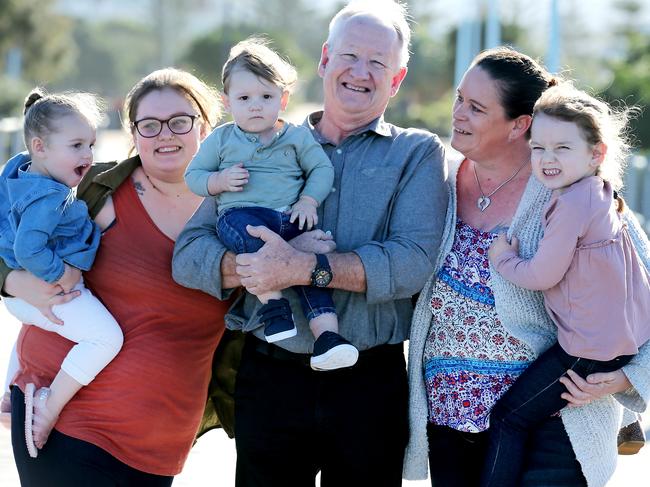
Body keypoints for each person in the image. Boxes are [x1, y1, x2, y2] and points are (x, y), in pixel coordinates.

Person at [172, 0, 448, 485]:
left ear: (397, 78)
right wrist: (254, 266)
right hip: (271, 377)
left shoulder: (418, 153)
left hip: (369, 382)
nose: (360, 72)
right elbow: (189, 255)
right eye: (349, 55)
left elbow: (413, 263)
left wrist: (302, 268)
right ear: (324, 59)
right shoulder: (256, 141)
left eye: (378, 63)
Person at [404, 47, 650, 487]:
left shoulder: (575, 194)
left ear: (520, 125)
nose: (458, 112)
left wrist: (626, 377)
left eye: (476, 107)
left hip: (554, 419)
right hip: (451, 414)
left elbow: (642, 296)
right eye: (460, 98)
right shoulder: (437, 181)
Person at [0, 68, 232, 486]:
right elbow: (10, 230)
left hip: (159, 443)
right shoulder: (90, 187)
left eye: (180, 120)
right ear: (133, 132)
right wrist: (13, 283)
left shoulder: (237, 207)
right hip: (58, 419)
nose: (165, 134)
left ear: (206, 125)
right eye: (149, 124)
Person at [482, 84, 650, 486]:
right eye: (538, 148)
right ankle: (628, 425)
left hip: (585, 350)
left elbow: (542, 275)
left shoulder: (573, 203)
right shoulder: (601, 193)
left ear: (597, 153)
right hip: (610, 344)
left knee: (507, 419)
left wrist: (502, 256)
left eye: (562, 148)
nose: (547, 159)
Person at [185, 38, 358, 371]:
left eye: (266, 97)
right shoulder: (222, 138)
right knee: (248, 235)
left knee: (311, 265)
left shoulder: (295, 136)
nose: (255, 106)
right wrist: (219, 182)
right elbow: (194, 176)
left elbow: (321, 169)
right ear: (227, 101)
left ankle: (328, 337)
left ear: (283, 99)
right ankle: (273, 304)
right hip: (241, 216)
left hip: (289, 217)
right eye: (244, 98)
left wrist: (308, 200)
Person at [0, 89, 124, 458]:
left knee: (34, 323)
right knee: (105, 338)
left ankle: (10, 393)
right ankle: (48, 406)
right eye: (76, 146)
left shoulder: (18, 169)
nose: (87, 155)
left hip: (24, 296)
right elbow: (28, 249)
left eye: (91, 144)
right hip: (47, 286)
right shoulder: (49, 196)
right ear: (40, 147)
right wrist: (61, 275)